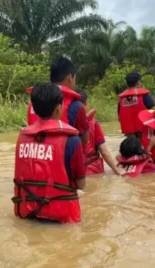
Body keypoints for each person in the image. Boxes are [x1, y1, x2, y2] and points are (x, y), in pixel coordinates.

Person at [13, 83, 85, 223]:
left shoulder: (22, 136)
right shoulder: (71, 139)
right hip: (61, 217)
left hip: (27, 214)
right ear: (59, 109)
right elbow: (81, 184)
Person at [26, 57, 89, 144]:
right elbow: (84, 141)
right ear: (70, 77)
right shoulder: (76, 105)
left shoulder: (33, 102)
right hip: (62, 154)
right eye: (75, 78)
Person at [76, 89, 123, 176]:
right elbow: (104, 151)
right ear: (86, 102)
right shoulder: (93, 124)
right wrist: (117, 170)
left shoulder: (66, 123)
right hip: (92, 170)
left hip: (74, 172)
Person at [117, 72, 155, 137]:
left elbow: (119, 117)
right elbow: (154, 110)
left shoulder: (121, 98)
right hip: (143, 132)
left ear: (126, 83)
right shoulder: (144, 95)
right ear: (138, 82)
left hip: (129, 134)